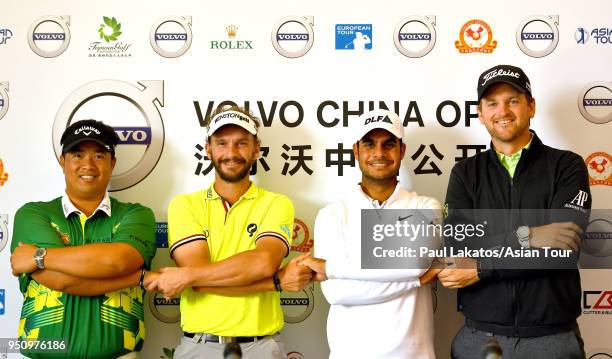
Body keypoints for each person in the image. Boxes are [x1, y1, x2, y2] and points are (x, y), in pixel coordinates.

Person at [439, 64, 591, 358]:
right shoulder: (465, 173)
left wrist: (482, 265)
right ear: (481, 113)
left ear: (531, 106)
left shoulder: (567, 166)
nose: (502, 111)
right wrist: (529, 235)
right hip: (480, 338)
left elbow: (561, 250)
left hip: (552, 339)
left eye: (513, 100)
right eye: (492, 103)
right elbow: (459, 247)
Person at [147, 106, 312, 359]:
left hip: (262, 347)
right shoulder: (185, 204)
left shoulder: (277, 203)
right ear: (208, 148)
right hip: (199, 346)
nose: (231, 153)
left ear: (256, 148)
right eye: (222, 143)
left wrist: (189, 275)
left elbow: (264, 261)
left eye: (241, 143)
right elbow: (200, 283)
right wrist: (276, 281)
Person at [298, 109, 443, 358]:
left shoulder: (426, 207)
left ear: (402, 151)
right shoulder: (332, 214)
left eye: (388, 144)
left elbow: (414, 262)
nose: (379, 153)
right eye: (369, 144)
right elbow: (337, 292)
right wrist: (415, 279)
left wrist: (332, 268)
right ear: (356, 151)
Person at [10, 119, 157, 359]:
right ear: (63, 161)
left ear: (113, 162)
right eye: (77, 155)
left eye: (99, 156)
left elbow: (116, 262)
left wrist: (39, 256)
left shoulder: (136, 214)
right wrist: (138, 278)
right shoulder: (33, 213)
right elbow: (60, 279)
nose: (88, 165)